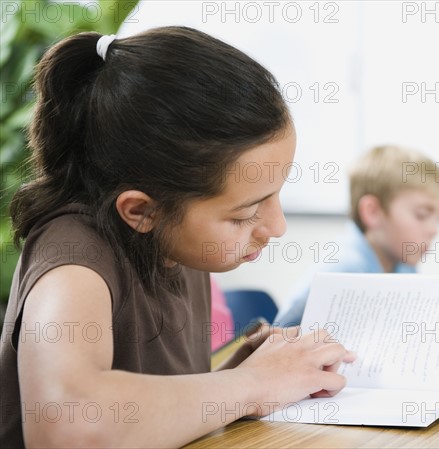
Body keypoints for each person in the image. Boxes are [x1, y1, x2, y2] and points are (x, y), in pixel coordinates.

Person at [0, 27, 355, 448]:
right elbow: (70, 427)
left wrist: (245, 375)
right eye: (244, 214)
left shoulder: (173, 245)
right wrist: (253, 383)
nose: (276, 227)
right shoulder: (73, 258)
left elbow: (152, 419)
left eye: (276, 194)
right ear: (142, 211)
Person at [275, 145, 439, 326]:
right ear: (372, 212)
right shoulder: (344, 270)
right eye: (422, 215)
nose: (434, 229)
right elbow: (278, 342)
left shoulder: (403, 266)